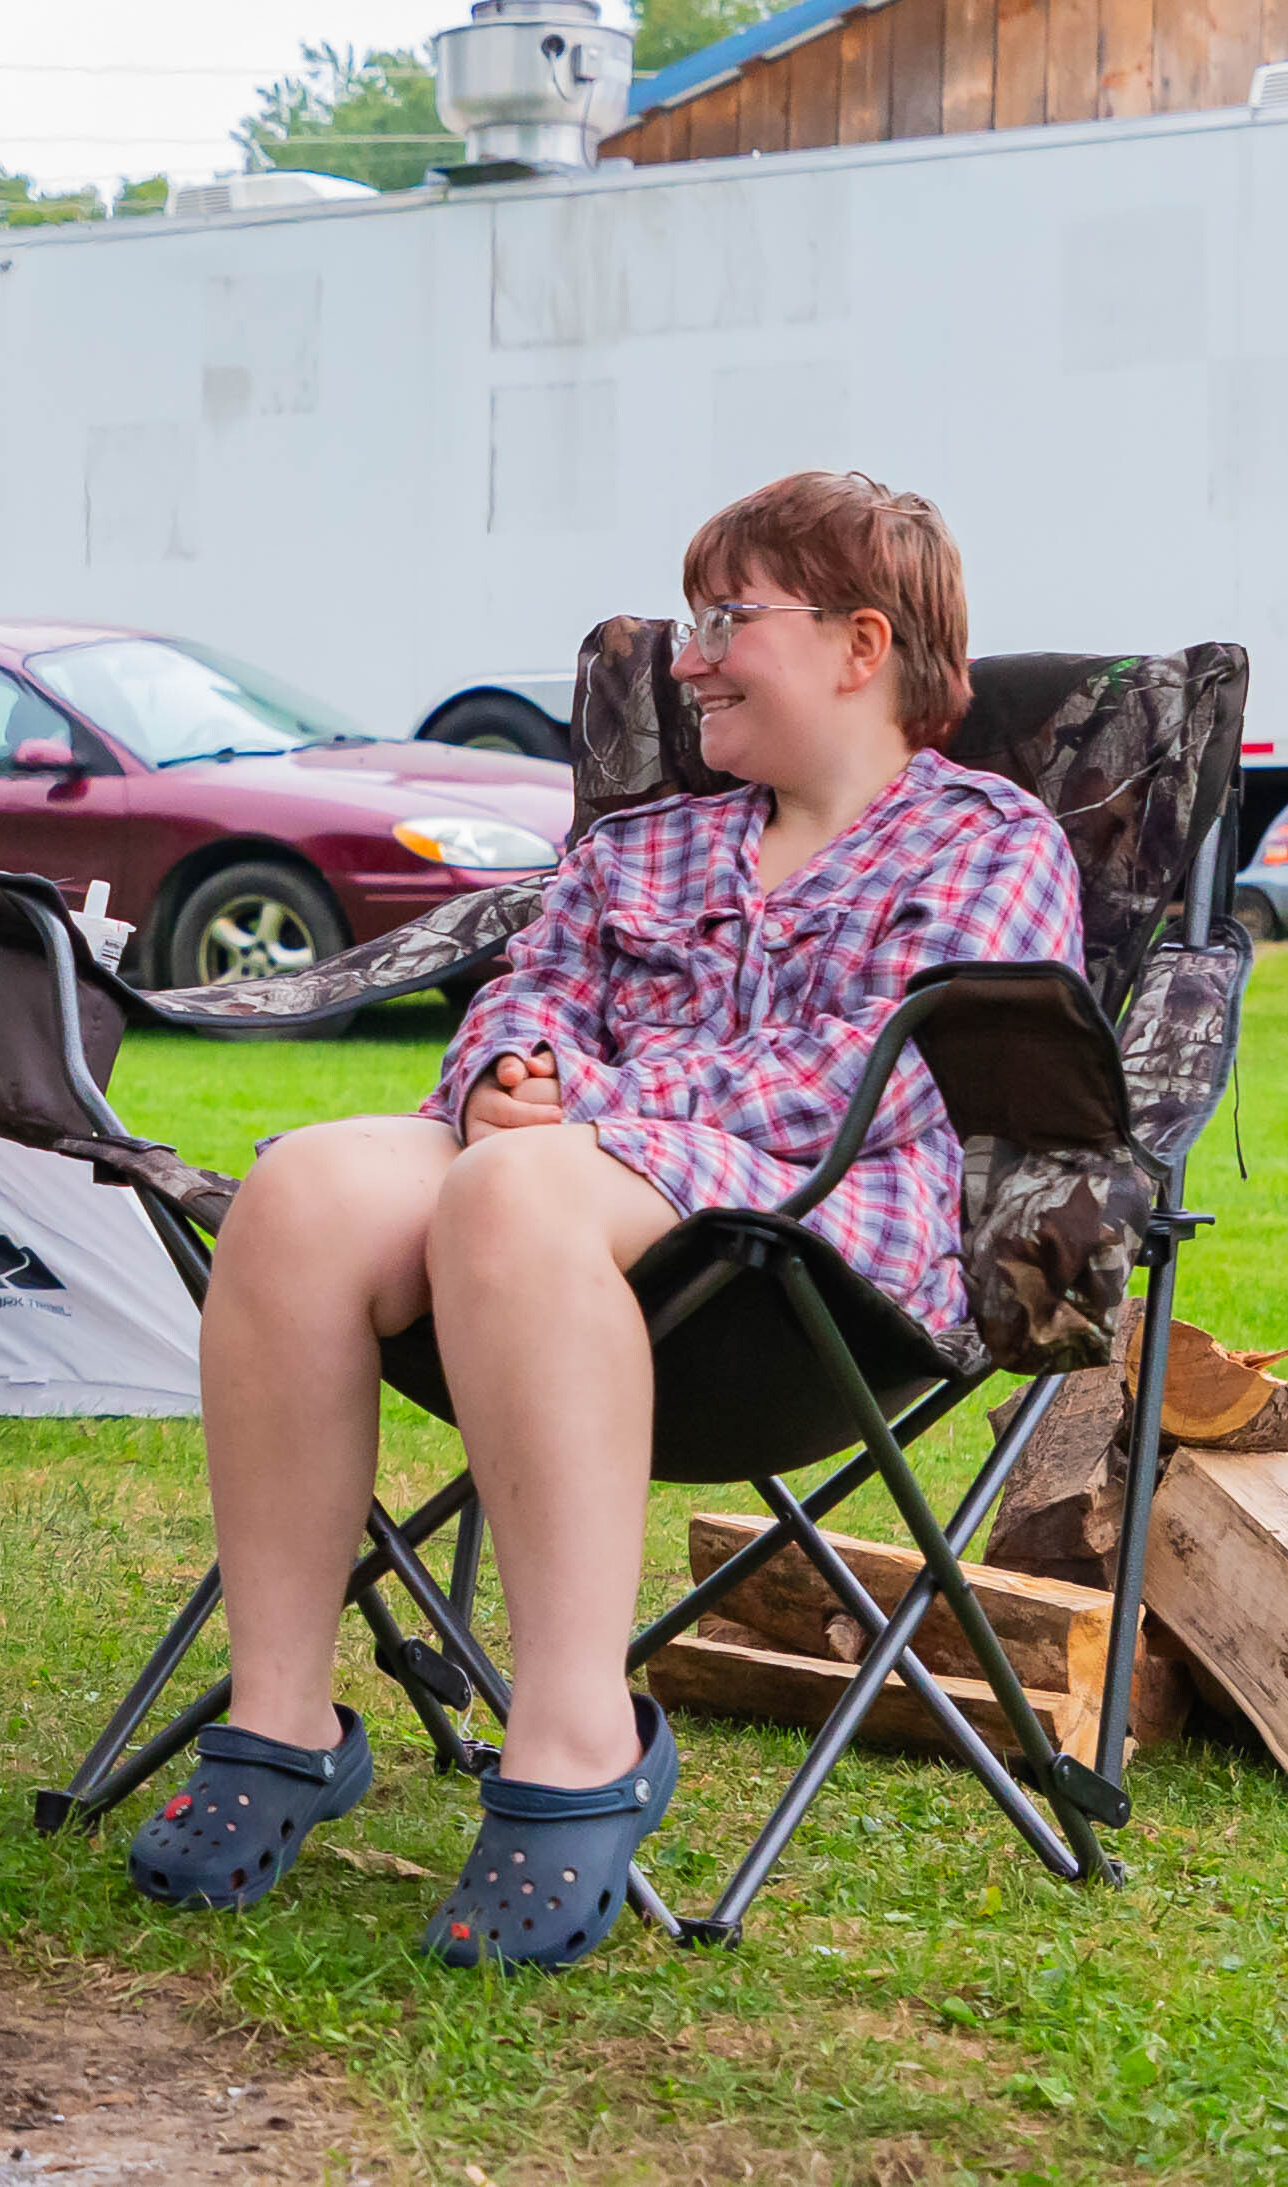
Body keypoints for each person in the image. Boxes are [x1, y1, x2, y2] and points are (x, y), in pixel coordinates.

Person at [129, 471, 1081, 1967]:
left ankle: (576, 1738)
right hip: (569, 1215)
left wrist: (587, 1118)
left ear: (857, 641)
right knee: (306, 1182)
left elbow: (883, 1072)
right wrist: (512, 1070)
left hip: (817, 1268)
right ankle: (284, 1714)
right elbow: (531, 986)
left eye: (727, 617)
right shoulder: (655, 843)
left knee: (515, 1180)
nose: (689, 654)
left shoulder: (987, 839)